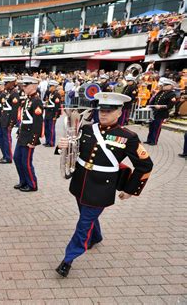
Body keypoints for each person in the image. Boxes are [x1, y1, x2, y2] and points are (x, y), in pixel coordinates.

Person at [55, 92, 153, 278]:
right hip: (81, 182)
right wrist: (62, 146)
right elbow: (73, 150)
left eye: (109, 110)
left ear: (119, 112)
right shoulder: (88, 129)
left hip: (101, 188)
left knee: (83, 225)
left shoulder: (128, 137)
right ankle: (96, 236)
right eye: (102, 110)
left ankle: (68, 259)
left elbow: (145, 165)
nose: (104, 114)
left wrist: (130, 190)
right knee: (87, 216)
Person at [13, 76, 43, 192]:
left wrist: (33, 141)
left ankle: (32, 184)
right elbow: (25, 119)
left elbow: (37, 123)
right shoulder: (28, 100)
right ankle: (23, 181)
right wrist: (19, 131)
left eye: (26, 85)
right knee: (17, 158)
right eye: (23, 86)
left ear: (34, 86)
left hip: (29, 137)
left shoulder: (36, 101)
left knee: (26, 162)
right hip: (23, 135)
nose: (24, 88)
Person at [145, 77, 177, 145]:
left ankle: (154, 141)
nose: (163, 86)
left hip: (161, 113)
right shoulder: (160, 92)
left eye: (165, 85)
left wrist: (160, 107)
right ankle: (149, 139)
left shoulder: (172, 94)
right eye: (164, 84)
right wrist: (150, 105)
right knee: (151, 126)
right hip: (154, 112)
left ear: (170, 86)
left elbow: (170, 105)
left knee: (157, 127)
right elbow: (154, 100)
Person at [0, 76, 19, 163]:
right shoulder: (8, 93)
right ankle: (5, 154)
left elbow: (14, 110)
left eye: (6, 83)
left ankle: (8, 157)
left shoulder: (14, 94)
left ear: (11, 83)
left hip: (8, 120)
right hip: (3, 119)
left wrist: (12, 123)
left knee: (7, 139)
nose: (5, 85)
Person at [43, 80, 61, 147]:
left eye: (50, 86)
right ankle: (47, 141)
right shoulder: (50, 94)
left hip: (52, 114)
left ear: (54, 87)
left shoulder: (56, 95)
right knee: (46, 128)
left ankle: (51, 142)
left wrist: (55, 116)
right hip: (47, 113)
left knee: (51, 129)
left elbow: (57, 107)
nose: (49, 88)